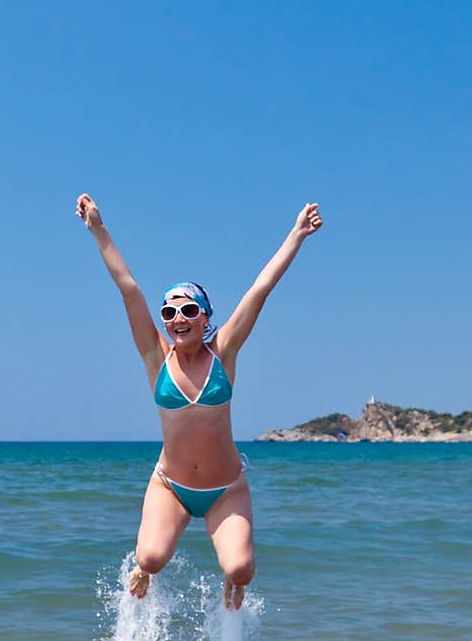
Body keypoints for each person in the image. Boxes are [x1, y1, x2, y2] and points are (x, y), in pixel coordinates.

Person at [76, 193, 323, 607]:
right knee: (150, 558)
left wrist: (297, 235)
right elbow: (128, 288)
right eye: (169, 313)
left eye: (189, 310)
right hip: (170, 486)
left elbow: (261, 289)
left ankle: (235, 582)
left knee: (240, 569)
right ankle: (143, 571)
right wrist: (99, 229)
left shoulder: (223, 353)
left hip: (225, 487)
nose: (178, 319)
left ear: (206, 318)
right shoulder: (157, 357)